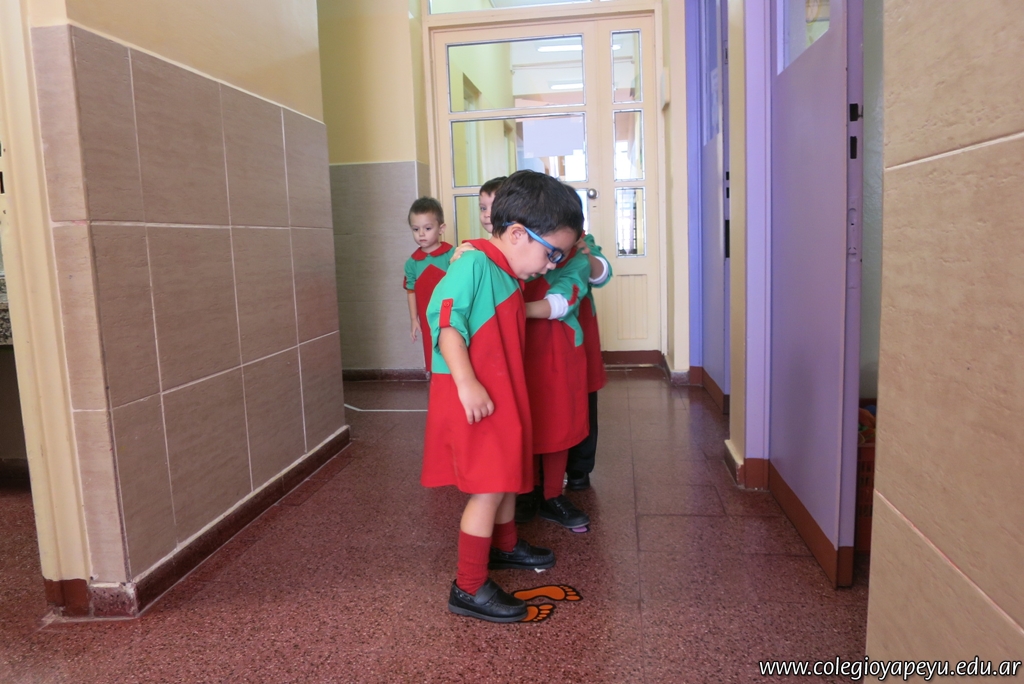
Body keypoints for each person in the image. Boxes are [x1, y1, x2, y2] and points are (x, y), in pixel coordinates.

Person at [422, 170, 584, 623]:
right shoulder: (474, 264)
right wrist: (468, 383)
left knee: (508, 473)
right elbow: (447, 324)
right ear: (516, 234)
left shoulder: (505, 270)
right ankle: (469, 586)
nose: (551, 265)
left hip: (500, 392)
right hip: (475, 395)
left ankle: (505, 546)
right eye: (551, 253)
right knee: (488, 489)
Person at [565, 228, 613, 490]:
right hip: (546, 336)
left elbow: (601, 273)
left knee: (584, 400)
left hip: (580, 335)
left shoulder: (584, 243)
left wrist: (584, 250)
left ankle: (579, 469)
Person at [404, 197, 453, 373]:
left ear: (441, 228)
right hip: (427, 319)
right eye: (416, 229)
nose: (421, 234)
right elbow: (411, 291)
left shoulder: (452, 255)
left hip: (452, 314)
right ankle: (436, 381)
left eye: (427, 228)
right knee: (432, 352)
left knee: (454, 350)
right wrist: (413, 319)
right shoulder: (412, 263)